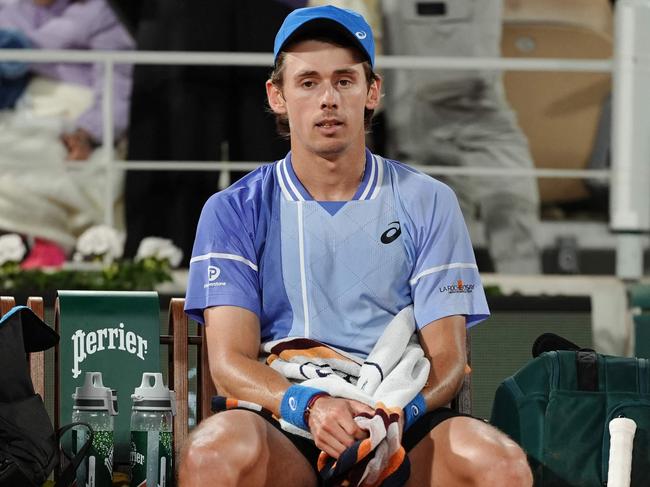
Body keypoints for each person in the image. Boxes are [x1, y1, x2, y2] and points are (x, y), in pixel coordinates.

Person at [180, 6, 532, 486]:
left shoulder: (429, 201)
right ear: (277, 95)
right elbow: (229, 364)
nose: (328, 99)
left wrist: (391, 416)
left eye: (345, 81)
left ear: (372, 92)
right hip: (287, 419)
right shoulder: (233, 209)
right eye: (308, 82)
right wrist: (314, 407)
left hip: (400, 419)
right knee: (209, 454)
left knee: (501, 464)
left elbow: (449, 363)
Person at [381, 0, 542, 275]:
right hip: (418, 125)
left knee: (514, 219)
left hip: (480, 117)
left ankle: (528, 308)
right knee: (436, 250)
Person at [0, 0, 133, 267]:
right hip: (21, 106)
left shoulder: (96, 12)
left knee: (45, 152)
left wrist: (89, 133)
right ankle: (17, 242)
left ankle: (47, 242)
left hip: (77, 109)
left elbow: (116, 81)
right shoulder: (7, 7)